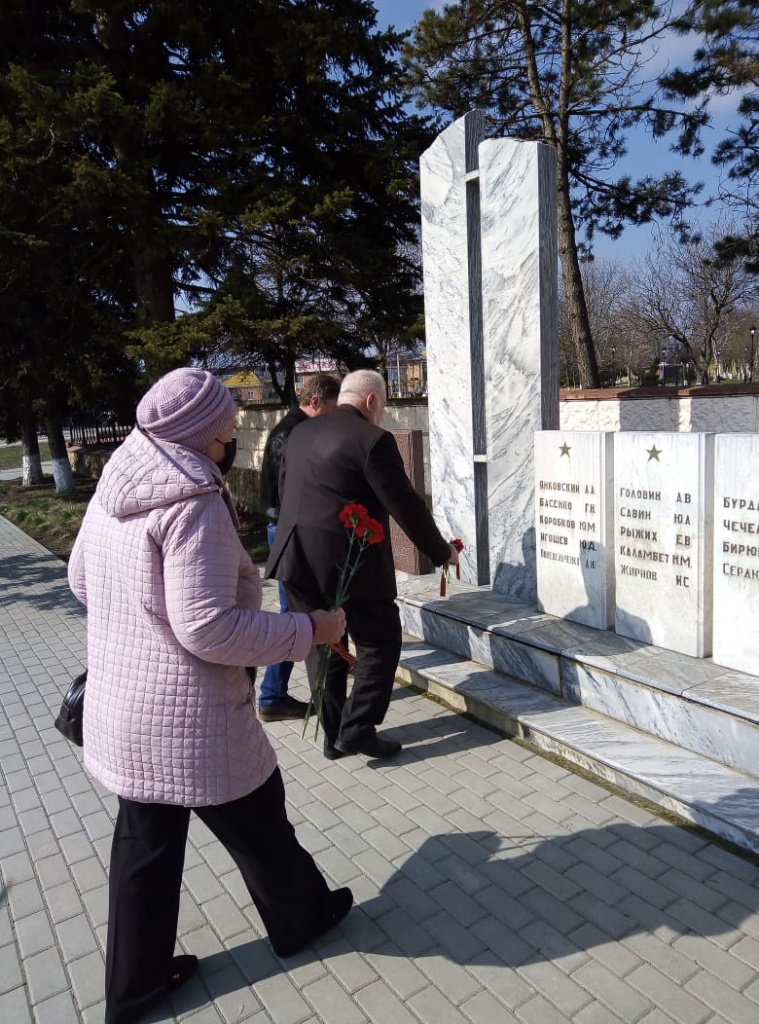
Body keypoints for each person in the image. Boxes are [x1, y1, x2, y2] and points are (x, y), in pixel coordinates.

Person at [67, 368, 351, 1024]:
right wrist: (311, 629)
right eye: (225, 436)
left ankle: (132, 989)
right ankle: (301, 918)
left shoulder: (120, 478)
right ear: (196, 436)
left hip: (125, 705)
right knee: (258, 819)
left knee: (144, 847)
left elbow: (82, 578)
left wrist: (135, 621)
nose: (228, 445)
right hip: (188, 715)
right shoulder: (190, 498)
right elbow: (208, 627)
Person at [266, 369, 459, 761]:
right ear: (372, 401)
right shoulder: (372, 440)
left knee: (324, 647)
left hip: (295, 558)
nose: (382, 415)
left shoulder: (302, 431)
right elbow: (405, 505)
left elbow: (288, 493)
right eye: (383, 407)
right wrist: (441, 551)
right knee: (380, 644)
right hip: (348, 562)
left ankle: (334, 737)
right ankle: (357, 728)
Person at [258, 373, 340, 721]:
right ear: (316, 402)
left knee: (295, 612)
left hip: (287, 528)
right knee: (293, 616)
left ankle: (288, 689)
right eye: (331, 411)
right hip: (288, 531)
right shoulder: (291, 434)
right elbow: (288, 493)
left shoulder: (292, 429)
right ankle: (272, 695)